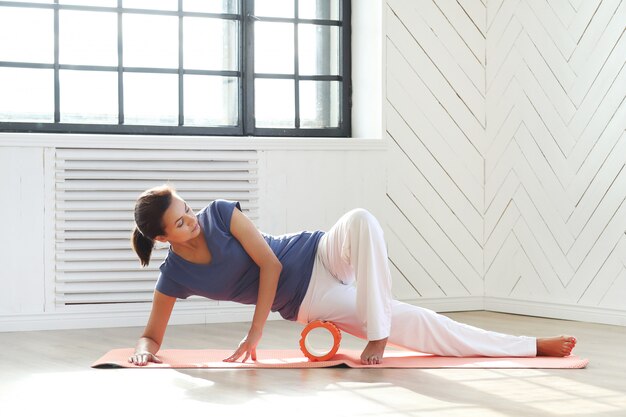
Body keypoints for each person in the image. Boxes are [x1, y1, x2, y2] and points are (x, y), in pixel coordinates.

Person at [128, 184, 577, 366]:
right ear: (164, 237)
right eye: (182, 221)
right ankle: (531, 346)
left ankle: (376, 332)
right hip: (309, 302)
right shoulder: (176, 276)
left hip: (318, 251)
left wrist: (255, 332)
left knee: (362, 218)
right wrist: (143, 353)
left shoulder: (222, 214)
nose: (193, 219)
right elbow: (152, 334)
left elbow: (271, 263)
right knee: (416, 321)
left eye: (188, 208)